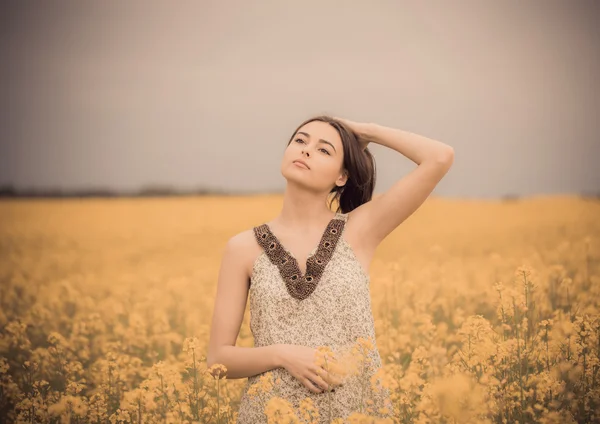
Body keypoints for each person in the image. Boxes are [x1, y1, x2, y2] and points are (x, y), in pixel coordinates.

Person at [206, 115, 454, 422]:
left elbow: (439, 157)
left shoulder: (360, 230)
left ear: (342, 177)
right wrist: (282, 355)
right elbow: (218, 359)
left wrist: (366, 132)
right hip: (270, 414)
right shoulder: (242, 248)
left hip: (355, 413)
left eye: (324, 150)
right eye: (300, 140)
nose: (306, 150)